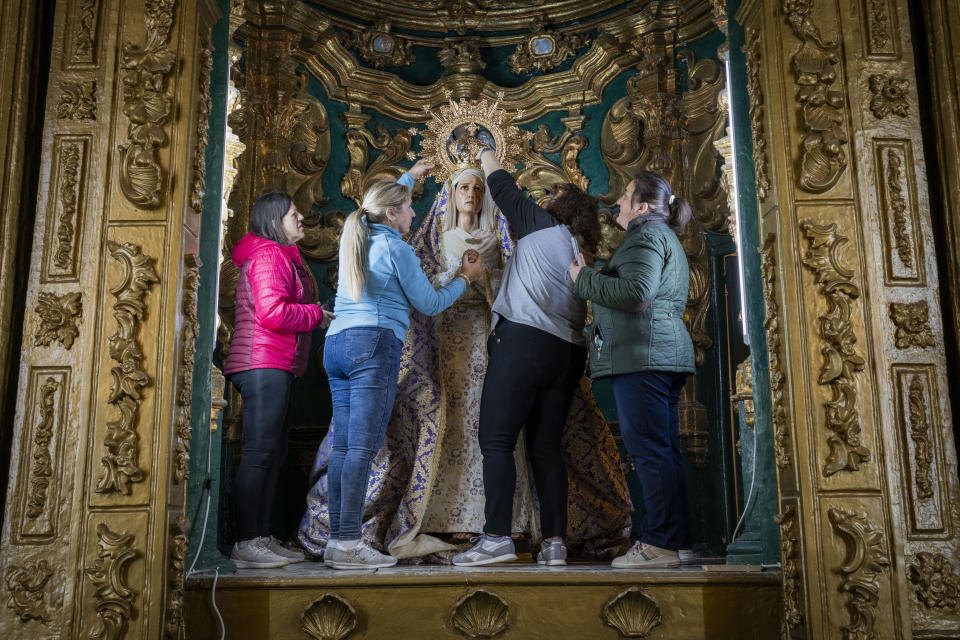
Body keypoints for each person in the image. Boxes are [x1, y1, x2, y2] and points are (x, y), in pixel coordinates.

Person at [453, 148, 628, 567]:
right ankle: (554, 543)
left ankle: (495, 538)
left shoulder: (542, 225)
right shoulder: (580, 251)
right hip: (568, 353)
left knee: (496, 439)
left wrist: (486, 153)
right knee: (546, 447)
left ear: (557, 209)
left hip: (524, 343)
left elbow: (501, 187)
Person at [321, 178, 486, 570]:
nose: (415, 212)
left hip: (336, 344)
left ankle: (336, 540)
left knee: (344, 448)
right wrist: (466, 277)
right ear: (391, 213)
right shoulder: (396, 246)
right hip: (373, 345)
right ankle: (347, 544)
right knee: (361, 448)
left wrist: (408, 177)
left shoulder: (357, 240)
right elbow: (429, 304)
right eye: (409, 205)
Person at [568, 170, 695, 568]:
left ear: (642, 206)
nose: (618, 203)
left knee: (650, 453)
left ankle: (658, 543)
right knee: (664, 452)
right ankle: (676, 542)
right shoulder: (658, 236)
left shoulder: (645, 236)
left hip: (644, 357)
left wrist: (582, 278)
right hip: (659, 354)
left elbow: (637, 293)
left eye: (625, 196)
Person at [224, 192, 334, 569]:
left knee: (272, 454)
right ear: (274, 222)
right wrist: (315, 315)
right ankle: (245, 542)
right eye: (292, 214)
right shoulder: (270, 255)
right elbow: (272, 314)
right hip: (262, 361)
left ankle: (259, 537)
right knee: (259, 454)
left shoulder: (281, 254)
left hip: (274, 363)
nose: (300, 217)